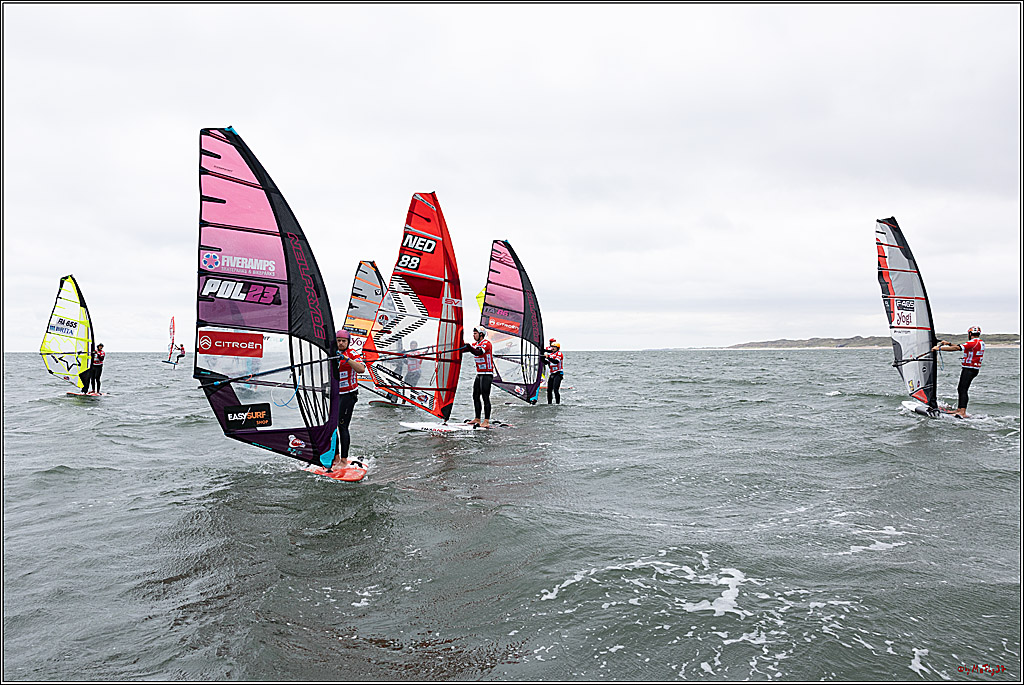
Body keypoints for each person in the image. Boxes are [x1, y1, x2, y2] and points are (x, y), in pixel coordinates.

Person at [332, 329, 366, 470]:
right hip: (334, 395)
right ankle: (336, 457)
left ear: (348, 342)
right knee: (331, 427)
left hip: (348, 395)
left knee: (342, 426)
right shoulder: (331, 353)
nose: (340, 343)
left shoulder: (351, 353)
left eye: (343, 341)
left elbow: (361, 369)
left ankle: (344, 460)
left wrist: (346, 359)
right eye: (338, 340)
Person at [933, 326, 984, 418]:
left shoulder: (973, 342)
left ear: (969, 334)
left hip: (969, 369)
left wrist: (939, 349)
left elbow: (957, 348)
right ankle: (960, 409)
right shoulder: (979, 342)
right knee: (961, 389)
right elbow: (959, 346)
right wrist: (949, 343)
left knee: (962, 389)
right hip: (973, 369)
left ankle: (962, 412)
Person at [460, 327, 494, 428]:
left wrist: (468, 346)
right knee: (475, 395)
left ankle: (486, 421)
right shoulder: (475, 345)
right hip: (479, 374)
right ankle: (477, 418)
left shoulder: (486, 343)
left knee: (485, 397)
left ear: (481, 334)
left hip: (487, 374)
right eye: (473, 333)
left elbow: (477, 352)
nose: (473, 335)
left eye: (475, 333)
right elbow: (466, 349)